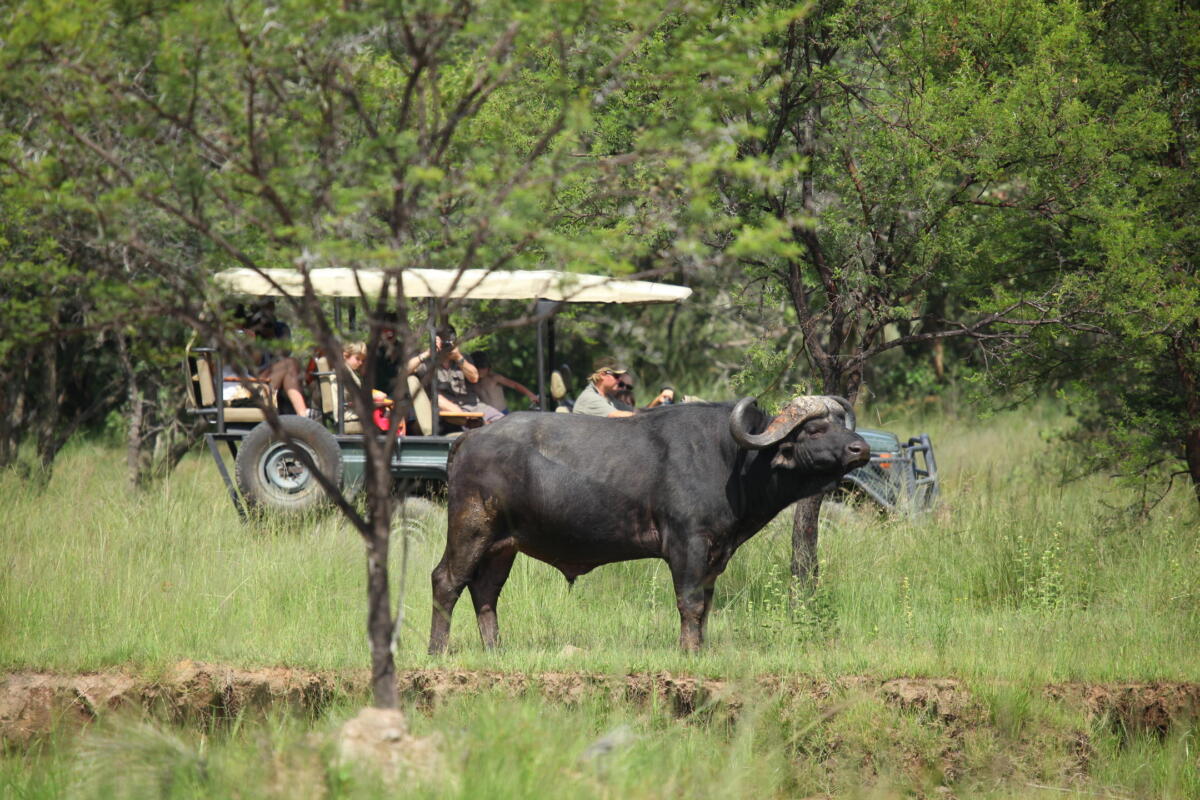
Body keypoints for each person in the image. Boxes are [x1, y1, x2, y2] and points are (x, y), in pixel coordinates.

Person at [406, 325, 504, 425]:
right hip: (448, 412)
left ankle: (478, 423)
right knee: (437, 400)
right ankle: (472, 422)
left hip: (473, 405)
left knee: (503, 422)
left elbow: (474, 378)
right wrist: (427, 353)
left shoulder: (464, 358)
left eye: (448, 340)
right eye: (442, 340)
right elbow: (405, 371)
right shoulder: (427, 362)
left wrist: (458, 358)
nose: (445, 344)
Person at [468, 351, 538, 413]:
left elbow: (514, 385)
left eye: (483, 368)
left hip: (502, 413)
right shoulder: (472, 383)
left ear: (488, 367)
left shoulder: (494, 378)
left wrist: (530, 395)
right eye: (478, 368)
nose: (481, 371)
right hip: (487, 416)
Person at [572, 357, 637, 418]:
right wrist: (644, 416)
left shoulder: (607, 396)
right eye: (616, 376)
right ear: (602, 375)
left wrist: (646, 410)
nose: (620, 379)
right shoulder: (590, 398)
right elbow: (616, 415)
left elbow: (632, 410)